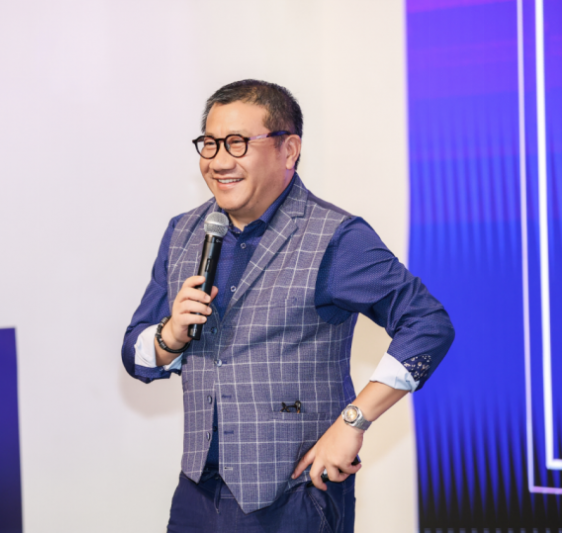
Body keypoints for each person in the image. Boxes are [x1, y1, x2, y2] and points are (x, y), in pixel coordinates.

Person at [121, 79, 454, 532]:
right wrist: (169, 337)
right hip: (197, 497)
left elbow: (428, 323)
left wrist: (354, 421)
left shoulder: (335, 236)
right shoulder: (184, 232)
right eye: (210, 143)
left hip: (294, 497)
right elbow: (135, 354)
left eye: (237, 143)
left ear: (289, 150)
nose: (219, 160)